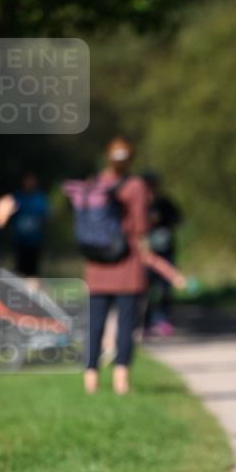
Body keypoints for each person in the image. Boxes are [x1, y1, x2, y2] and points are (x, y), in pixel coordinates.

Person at [82, 138, 149, 396]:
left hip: (97, 264)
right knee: (126, 324)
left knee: (95, 324)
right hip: (127, 264)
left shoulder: (93, 183)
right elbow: (140, 226)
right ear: (131, 159)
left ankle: (90, 379)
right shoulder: (136, 185)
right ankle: (121, 381)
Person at [142, 171, 183, 337]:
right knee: (146, 290)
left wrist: (163, 219)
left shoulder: (164, 203)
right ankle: (145, 322)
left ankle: (163, 320)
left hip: (165, 251)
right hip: (146, 253)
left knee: (165, 289)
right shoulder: (139, 204)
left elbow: (178, 219)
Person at [11, 172, 50, 277]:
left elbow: (46, 216)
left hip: (35, 241)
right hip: (19, 241)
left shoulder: (40, 198)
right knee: (19, 270)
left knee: (33, 272)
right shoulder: (17, 197)